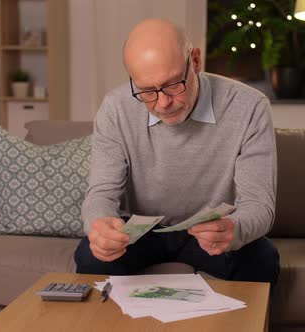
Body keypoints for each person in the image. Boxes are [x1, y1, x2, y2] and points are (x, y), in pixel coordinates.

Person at [74, 18, 279, 283]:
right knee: (91, 257)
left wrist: (235, 228)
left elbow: (259, 204)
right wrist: (99, 225)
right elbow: (100, 194)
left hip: (210, 231)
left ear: (195, 61)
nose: (162, 103)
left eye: (172, 85)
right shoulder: (116, 108)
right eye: (146, 90)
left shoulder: (250, 106)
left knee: (261, 258)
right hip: (139, 231)